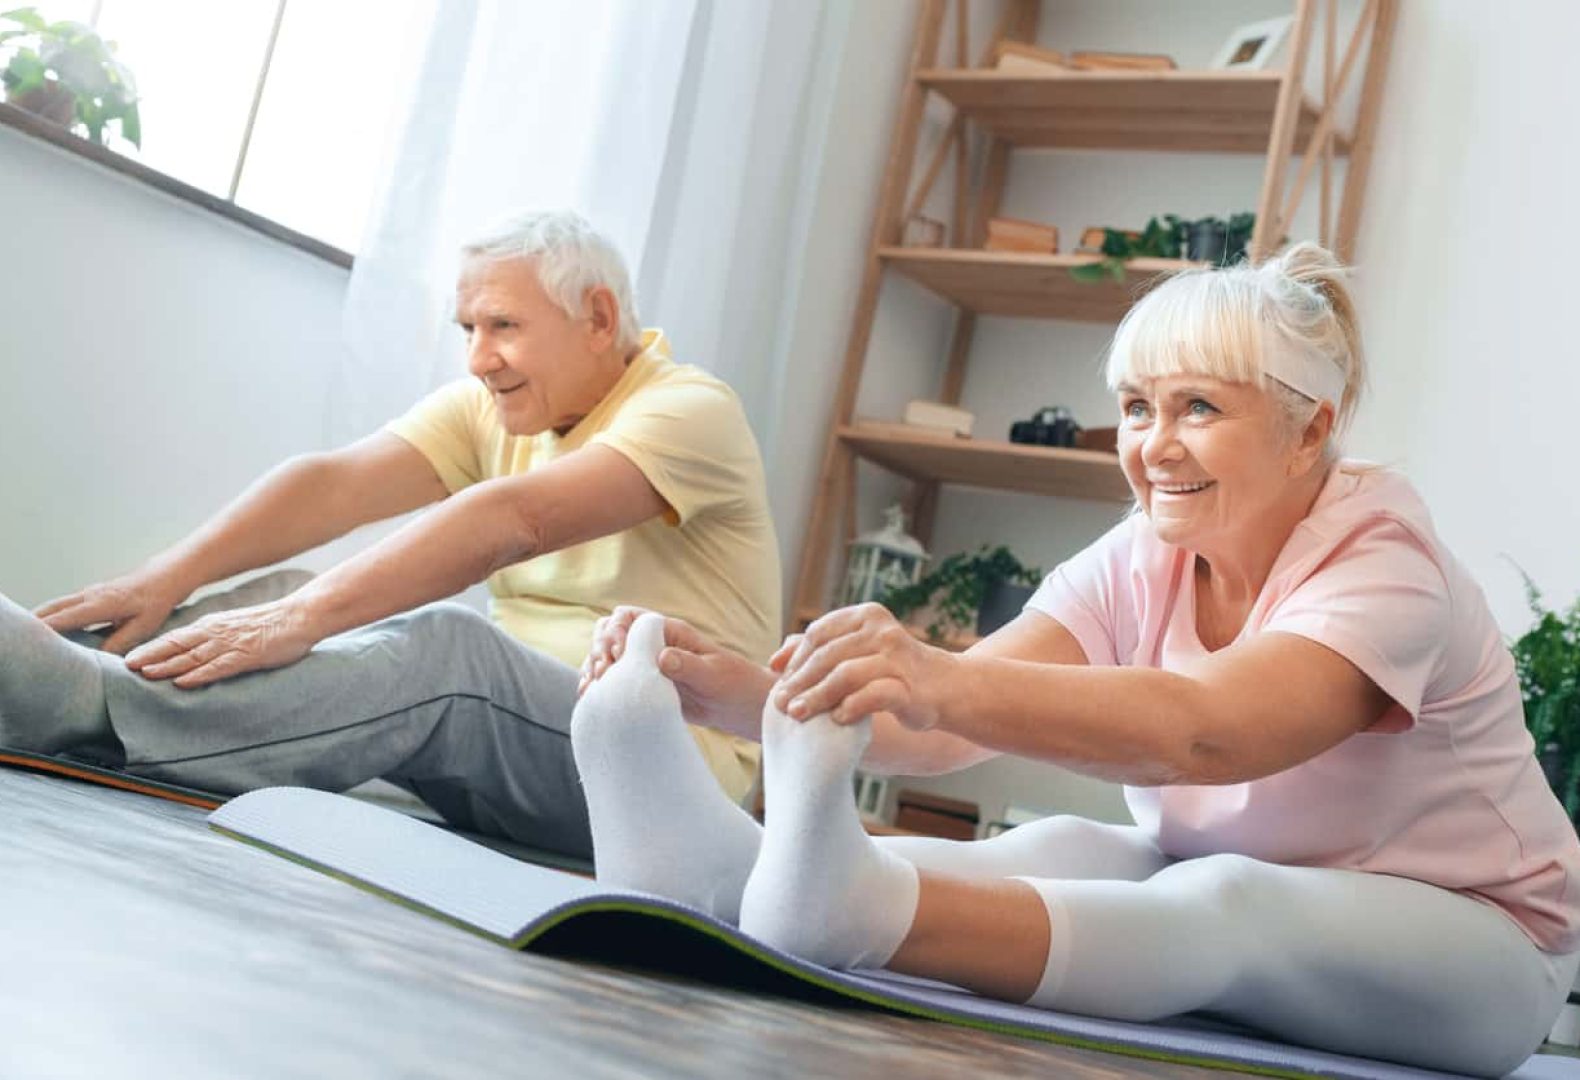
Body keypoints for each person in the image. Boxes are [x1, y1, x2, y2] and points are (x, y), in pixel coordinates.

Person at [573, 243, 1580, 1076]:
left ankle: (855, 913)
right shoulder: (1145, 547)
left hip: (1480, 949)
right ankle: (719, 884)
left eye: (1197, 408)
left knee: (1222, 909)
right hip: (1246, 874)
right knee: (1054, 845)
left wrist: (935, 671)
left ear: (1307, 427)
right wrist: (746, 698)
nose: (1153, 445)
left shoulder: (1384, 559)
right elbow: (936, 728)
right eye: (1136, 408)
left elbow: (1205, 730)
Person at [0, 209, 780, 856]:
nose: (478, 358)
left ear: (599, 318)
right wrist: (164, 578)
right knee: (291, 592)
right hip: (536, 738)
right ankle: (88, 671)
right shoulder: (498, 407)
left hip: (668, 777)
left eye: (503, 325)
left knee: (447, 650)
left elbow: (513, 520)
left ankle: (87, 708)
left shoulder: (689, 411)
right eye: (468, 327)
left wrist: (300, 625)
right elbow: (333, 484)